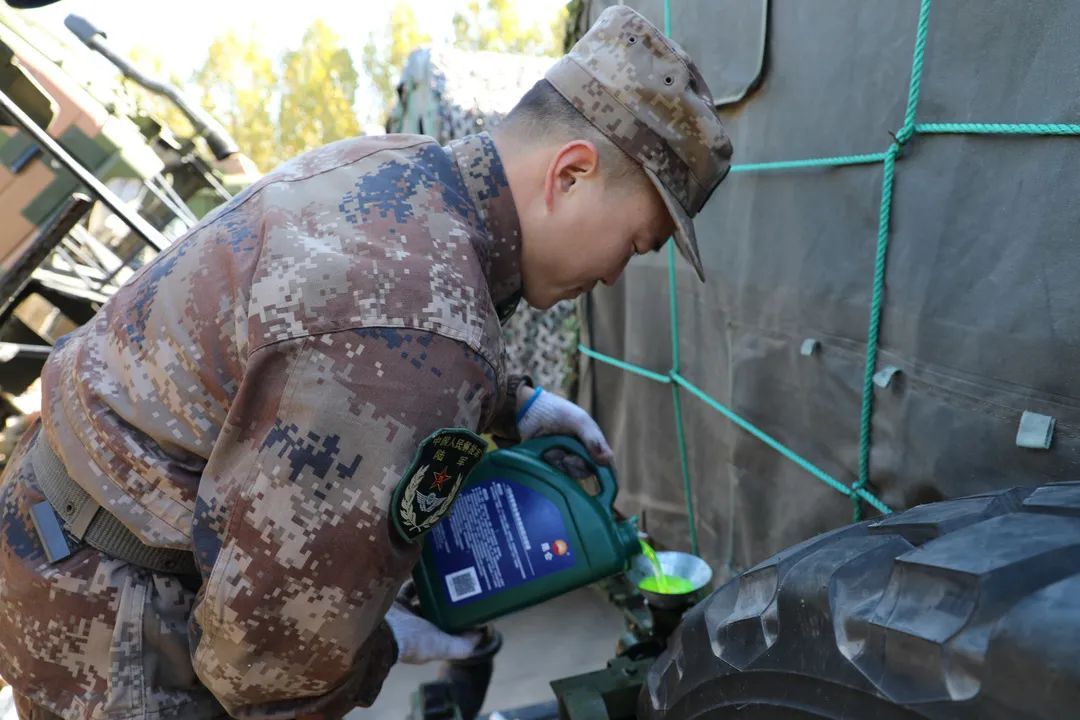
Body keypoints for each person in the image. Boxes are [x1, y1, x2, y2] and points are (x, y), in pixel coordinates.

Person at [0, 6, 732, 719]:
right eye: (636, 243)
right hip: (114, 628)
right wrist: (376, 644)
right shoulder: (423, 342)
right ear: (570, 173)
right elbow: (265, 665)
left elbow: (326, 327)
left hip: (55, 520)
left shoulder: (399, 167)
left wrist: (516, 400)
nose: (613, 275)